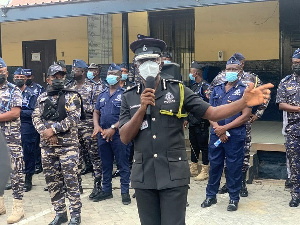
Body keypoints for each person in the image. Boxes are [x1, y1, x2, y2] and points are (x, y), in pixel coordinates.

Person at [119, 36, 273, 225]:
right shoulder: (128, 97)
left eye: (152, 60)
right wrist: (141, 109)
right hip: (144, 175)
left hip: (173, 175)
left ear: (160, 63)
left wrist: (243, 102)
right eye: (142, 61)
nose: (147, 65)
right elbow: (125, 137)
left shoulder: (179, 91)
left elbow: (213, 113)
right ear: (136, 66)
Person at [208, 52, 269, 197]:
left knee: (242, 155)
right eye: (229, 68)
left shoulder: (252, 78)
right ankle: (228, 183)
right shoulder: (220, 78)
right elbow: (210, 93)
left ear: (242, 65)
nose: (232, 71)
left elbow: (264, 95)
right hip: (220, 125)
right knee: (223, 156)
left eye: (239, 64)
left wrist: (257, 114)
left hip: (241, 124)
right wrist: (218, 126)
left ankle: (240, 184)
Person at [32, 64, 83, 225]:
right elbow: (36, 117)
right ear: (48, 79)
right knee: (53, 182)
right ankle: (60, 213)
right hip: (48, 148)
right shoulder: (42, 98)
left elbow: (73, 118)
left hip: (68, 147)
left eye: (61, 76)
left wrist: (53, 130)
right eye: (55, 77)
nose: (59, 79)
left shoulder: (72, 96)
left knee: (71, 181)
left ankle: (75, 214)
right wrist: (46, 133)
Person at [201, 57, 251, 211]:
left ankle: (233, 198)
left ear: (240, 71)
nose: (230, 72)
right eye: (228, 69)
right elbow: (210, 113)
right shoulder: (217, 89)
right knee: (214, 165)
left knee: (234, 167)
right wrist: (218, 129)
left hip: (234, 135)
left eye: (234, 69)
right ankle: (211, 195)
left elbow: (245, 115)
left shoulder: (245, 90)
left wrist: (225, 128)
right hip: (216, 134)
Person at [92, 63, 131, 205]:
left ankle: (125, 192)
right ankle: (106, 190)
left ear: (120, 78)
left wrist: (113, 127)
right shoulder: (102, 94)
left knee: (123, 164)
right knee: (106, 164)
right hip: (103, 134)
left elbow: (128, 115)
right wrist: (96, 126)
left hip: (120, 135)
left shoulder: (125, 94)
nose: (111, 77)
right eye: (109, 75)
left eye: (114, 75)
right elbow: (96, 112)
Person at [67, 59, 103, 199]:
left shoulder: (94, 87)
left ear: (83, 72)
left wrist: (79, 108)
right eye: (72, 69)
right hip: (73, 127)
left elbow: (97, 108)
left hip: (88, 125)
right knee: (76, 156)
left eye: (75, 70)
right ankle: (77, 186)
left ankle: (97, 185)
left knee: (94, 156)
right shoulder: (70, 87)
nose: (73, 72)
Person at [0, 58, 25, 224]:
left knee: (15, 172)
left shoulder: (13, 90)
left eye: (1, 71)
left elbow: (15, 113)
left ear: (7, 73)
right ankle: (1, 204)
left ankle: (18, 207)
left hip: (11, 139)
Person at [276, 48, 300, 207]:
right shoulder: (285, 82)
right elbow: (281, 104)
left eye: (298, 63)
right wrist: (298, 109)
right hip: (294, 131)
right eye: (294, 63)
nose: (295, 66)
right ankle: (296, 194)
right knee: (295, 164)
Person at [184, 61, 210, 181]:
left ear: (195, 73)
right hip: (192, 121)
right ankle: (193, 167)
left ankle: (205, 169)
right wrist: (186, 118)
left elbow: (209, 104)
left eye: (191, 72)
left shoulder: (206, 87)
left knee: (203, 146)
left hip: (202, 122)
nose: (190, 74)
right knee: (193, 145)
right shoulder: (193, 87)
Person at [13, 68, 38, 192]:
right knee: (13, 154)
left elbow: (34, 112)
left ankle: (28, 178)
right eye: (17, 77)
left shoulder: (31, 94)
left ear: (26, 78)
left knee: (28, 152)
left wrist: (16, 113)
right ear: (13, 78)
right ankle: (15, 179)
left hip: (27, 125)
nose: (19, 80)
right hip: (11, 126)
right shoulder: (10, 92)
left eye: (21, 77)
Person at [24, 68, 46, 175]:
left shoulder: (39, 89)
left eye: (28, 77)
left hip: (37, 119)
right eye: (25, 77)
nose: (27, 79)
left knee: (36, 144)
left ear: (32, 77)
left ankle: (38, 164)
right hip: (24, 122)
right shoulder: (18, 89)